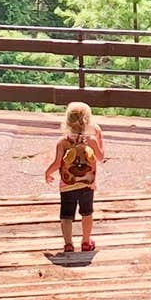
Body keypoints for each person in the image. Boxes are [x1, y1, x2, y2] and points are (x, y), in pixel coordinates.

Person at [45, 100, 106, 254]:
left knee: (66, 215)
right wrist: (100, 138)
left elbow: (57, 163)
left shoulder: (63, 142)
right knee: (87, 213)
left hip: (67, 185)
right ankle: (86, 241)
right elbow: (100, 157)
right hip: (87, 184)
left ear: (67, 121)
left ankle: (68, 244)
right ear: (89, 121)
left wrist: (48, 172)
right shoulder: (91, 140)